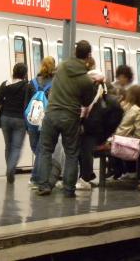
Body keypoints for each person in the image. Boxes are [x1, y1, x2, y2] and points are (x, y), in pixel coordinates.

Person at [35, 40, 96, 197]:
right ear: (89, 55)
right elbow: (86, 102)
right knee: (71, 154)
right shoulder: (86, 80)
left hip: (52, 114)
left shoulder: (61, 67)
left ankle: (43, 186)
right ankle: (69, 189)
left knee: (45, 150)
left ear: (75, 52)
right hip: (70, 117)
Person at [0, 63, 28, 183]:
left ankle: (9, 170)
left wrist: (6, 99)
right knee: (16, 147)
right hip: (20, 120)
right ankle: (10, 169)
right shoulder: (26, 86)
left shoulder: (5, 84)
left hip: (5, 118)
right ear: (24, 74)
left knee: (8, 146)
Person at [24, 56, 56, 187]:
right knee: (41, 150)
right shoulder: (55, 83)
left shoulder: (32, 82)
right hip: (46, 121)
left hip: (32, 120)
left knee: (36, 148)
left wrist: (26, 123)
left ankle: (36, 177)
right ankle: (39, 176)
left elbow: (26, 104)